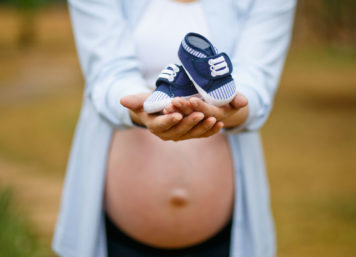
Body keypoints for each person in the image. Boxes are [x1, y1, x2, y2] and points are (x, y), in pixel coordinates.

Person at [52, 0, 297, 256]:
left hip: (224, 237)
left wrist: (229, 109)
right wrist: (140, 109)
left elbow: (256, 81)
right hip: (114, 233)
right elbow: (107, 74)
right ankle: (174, 85)